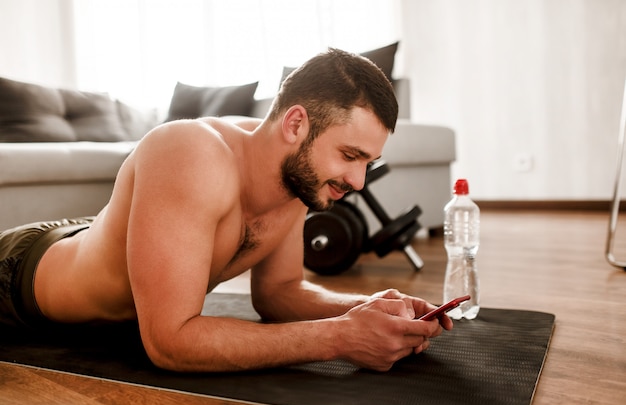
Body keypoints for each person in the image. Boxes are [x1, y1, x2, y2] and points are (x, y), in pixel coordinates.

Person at [0, 48, 453, 372]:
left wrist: (369, 309)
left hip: (108, 241)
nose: (357, 181)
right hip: (22, 271)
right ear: (296, 124)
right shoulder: (189, 153)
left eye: (367, 164)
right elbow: (169, 343)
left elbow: (278, 292)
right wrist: (340, 337)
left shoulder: (299, 178)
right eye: (349, 156)